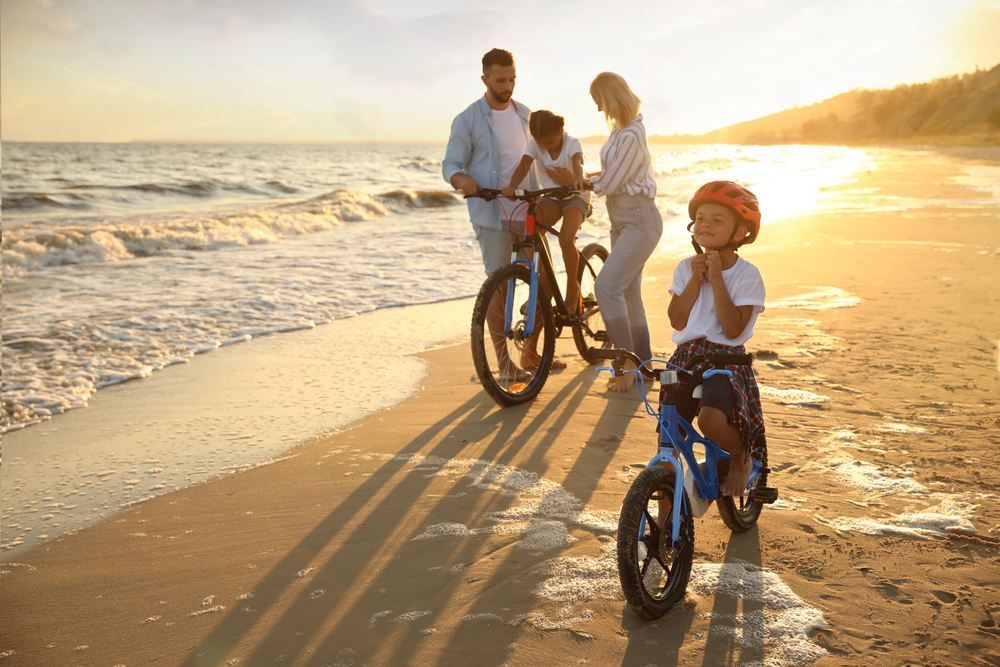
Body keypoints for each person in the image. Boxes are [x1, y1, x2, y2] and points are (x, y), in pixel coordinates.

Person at [442, 48, 559, 376]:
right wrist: (461, 177)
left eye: (512, 79)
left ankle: (531, 353)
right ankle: (504, 364)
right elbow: (451, 163)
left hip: (527, 210)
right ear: (485, 79)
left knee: (544, 282)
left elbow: (545, 156)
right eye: (500, 80)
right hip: (491, 213)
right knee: (499, 287)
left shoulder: (526, 115)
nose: (508, 86)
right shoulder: (467, 120)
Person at [666, 180, 767, 496]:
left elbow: (733, 329)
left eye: (717, 220)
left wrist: (718, 280)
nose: (705, 225)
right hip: (686, 355)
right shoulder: (686, 268)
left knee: (710, 420)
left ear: (739, 233)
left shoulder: (747, 274)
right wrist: (696, 280)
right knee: (668, 436)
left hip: (726, 358)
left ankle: (741, 456)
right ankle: (665, 521)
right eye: (701, 218)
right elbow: (677, 319)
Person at [585, 72, 662, 392]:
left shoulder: (631, 134)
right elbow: (612, 175)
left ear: (611, 96)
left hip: (640, 222)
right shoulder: (620, 133)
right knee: (629, 296)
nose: (599, 109)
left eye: (599, 101)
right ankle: (642, 366)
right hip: (623, 222)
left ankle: (628, 364)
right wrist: (591, 176)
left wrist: (585, 183)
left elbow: (611, 183)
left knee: (606, 288)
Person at [503, 110, 590, 320]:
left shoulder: (572, 143)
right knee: (533, 233)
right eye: (541, 143)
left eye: (550, 142)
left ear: (561, 132)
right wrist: (512, 186)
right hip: (551, 197)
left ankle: (573, 286)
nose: (545, 147)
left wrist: (577, 179)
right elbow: (524, 165)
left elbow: (578, 162)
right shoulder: (536, 144)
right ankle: (543, 287)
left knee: (565, 238)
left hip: (575, 197)